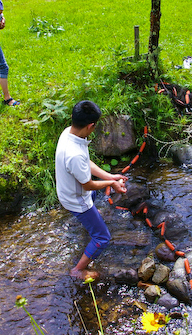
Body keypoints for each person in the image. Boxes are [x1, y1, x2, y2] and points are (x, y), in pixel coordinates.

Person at [55, 100, 128, 279]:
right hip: (75, 199)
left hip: (66, 190)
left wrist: (110, 176)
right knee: (102, 237)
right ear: (91, 126)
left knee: (94, 195)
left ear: (73, 117)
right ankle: (77, 270)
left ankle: (86, 228)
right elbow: (87, 185)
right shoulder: (74, 154)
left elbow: (86, 163)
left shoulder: (68, 134)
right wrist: (111, 184)